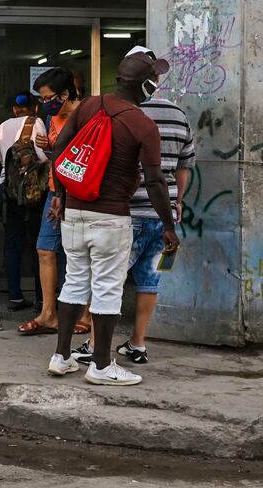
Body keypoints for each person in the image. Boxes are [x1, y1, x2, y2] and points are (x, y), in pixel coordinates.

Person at [46, 52, 179, 386]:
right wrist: (168, 224)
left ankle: (61, 357)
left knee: (75, 281)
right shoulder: (143, 126)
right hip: (111, 216)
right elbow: (154, 180)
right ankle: (102, 366)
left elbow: (59, 151)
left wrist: (61, 196)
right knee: (107, 288)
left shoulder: (88, 106)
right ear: (148, 85)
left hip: (74, 212)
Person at [83, 47, 195, 363]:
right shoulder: (178, 115)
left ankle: (94, 345)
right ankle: (138, 343)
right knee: (150, 279)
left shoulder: (118, 113)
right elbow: (184, 166)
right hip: (165, 216)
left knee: (107, 279)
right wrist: (177, 203)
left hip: (125, 213)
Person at [19, 68, 89, 337]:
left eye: (48, 97)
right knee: (45, 249)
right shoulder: (52, 117)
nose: (45, 103)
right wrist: (47, 148)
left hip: (80, 193)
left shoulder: (87, 115)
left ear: (65, 94)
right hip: (55, 189)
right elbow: (56, 156)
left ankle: (87, 314)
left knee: (82, 254)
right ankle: (49, 313)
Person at [0, 91, 48, 310]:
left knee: (12, 244)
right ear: (34, 107)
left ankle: (15, 296)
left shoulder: (2, 126)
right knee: (40, 245)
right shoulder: (37, 123)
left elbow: (2, 158)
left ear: (13, 109)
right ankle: (41, 298)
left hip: (8, 189)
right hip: (33, 192)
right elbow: (43, 157)